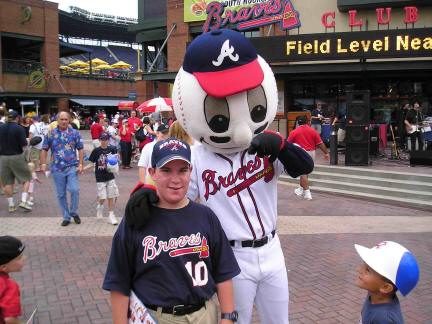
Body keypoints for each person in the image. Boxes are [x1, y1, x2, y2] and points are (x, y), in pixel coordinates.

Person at [129, 30, 314, 324]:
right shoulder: (197, 158)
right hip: (232, 256)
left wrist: (282, 145)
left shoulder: (265, 144)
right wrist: (148, 193)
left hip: (272, 249)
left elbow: (304, 167)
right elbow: (175, 200)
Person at [104, 138, 240, 324]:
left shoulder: (205, 216)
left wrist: (228, 317)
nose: (175, 179)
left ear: (191, 171)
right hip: (157, 316)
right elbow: (119, 281)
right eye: (166, 170)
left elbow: (223, 272)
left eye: (182, 170)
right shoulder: (137, 218)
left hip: (204, 314)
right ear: (152, 172)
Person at [355, 241, 419, 324]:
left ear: (385, 287)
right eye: (364, 264)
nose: (359, 269)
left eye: (367, 270)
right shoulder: (374, 295)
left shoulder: (384, 319)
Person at [41, 111, 84, 227]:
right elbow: (44, 149)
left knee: (74, 190)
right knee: (61, 194)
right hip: (57, 168)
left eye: (66, 119)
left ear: (69, 120)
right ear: (57, 120)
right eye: (62, 119)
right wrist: (43, 164)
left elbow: (80, 149)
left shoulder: (75, 133)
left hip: (71, 167)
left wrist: (80, 164)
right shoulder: (51, 133)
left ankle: (73, 212)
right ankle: (66, 216)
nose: (64, 121)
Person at [288, 115, 329, 200]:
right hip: (312, 153)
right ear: (308, 122)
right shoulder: (313, 131)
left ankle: (307, 193)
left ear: (298, 123)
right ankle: (300, 189)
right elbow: (320, 143)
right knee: (305, 172)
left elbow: (288, 144)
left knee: (303, 173)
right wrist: (326, 153)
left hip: (301, 153)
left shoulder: (294, 132)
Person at [0, 110, 32, 212]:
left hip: (3, 157)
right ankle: (23, 201)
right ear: (17, 118)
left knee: (7, 183)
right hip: (17, 156)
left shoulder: (0, 127)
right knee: (26, 178)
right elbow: (23, 144)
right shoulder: (19, 128)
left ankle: (11, 205)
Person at [86, 132, 119, 225]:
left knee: (111, 195)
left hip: (110, 175)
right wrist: (82, 169)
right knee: (102, 196)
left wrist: (116, 160)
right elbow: (91, 163)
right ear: (99, 140)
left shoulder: (112, 149)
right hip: (100, 176)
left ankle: (111, 215)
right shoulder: (96, 151)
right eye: (102, 139)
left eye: (106, 139)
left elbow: (116, 159)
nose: (104, 141)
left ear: (108, 140)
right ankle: (100, 206)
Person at [0, 236, 26, 324]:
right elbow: (10, 319)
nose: (24, 258)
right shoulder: (9, 286)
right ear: (3, 267)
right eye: (19, 258)